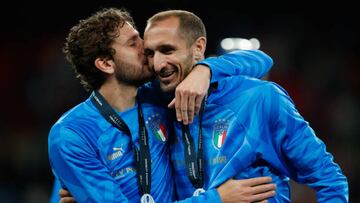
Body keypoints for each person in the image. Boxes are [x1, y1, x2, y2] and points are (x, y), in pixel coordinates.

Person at [48, 7, 276, 203]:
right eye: (133, 44)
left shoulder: (161, 95)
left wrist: (205, 70)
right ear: (106, 63)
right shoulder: (72, 133)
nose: (146, 47)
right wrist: (217, 198)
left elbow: (262, 61)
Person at [143, 10, 349, 202]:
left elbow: (329, 180)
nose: (158, 64)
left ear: (198, 48)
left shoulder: (259, 98)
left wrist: (205, 69)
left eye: (167, 50)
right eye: (150, 54)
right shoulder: (152, 107)